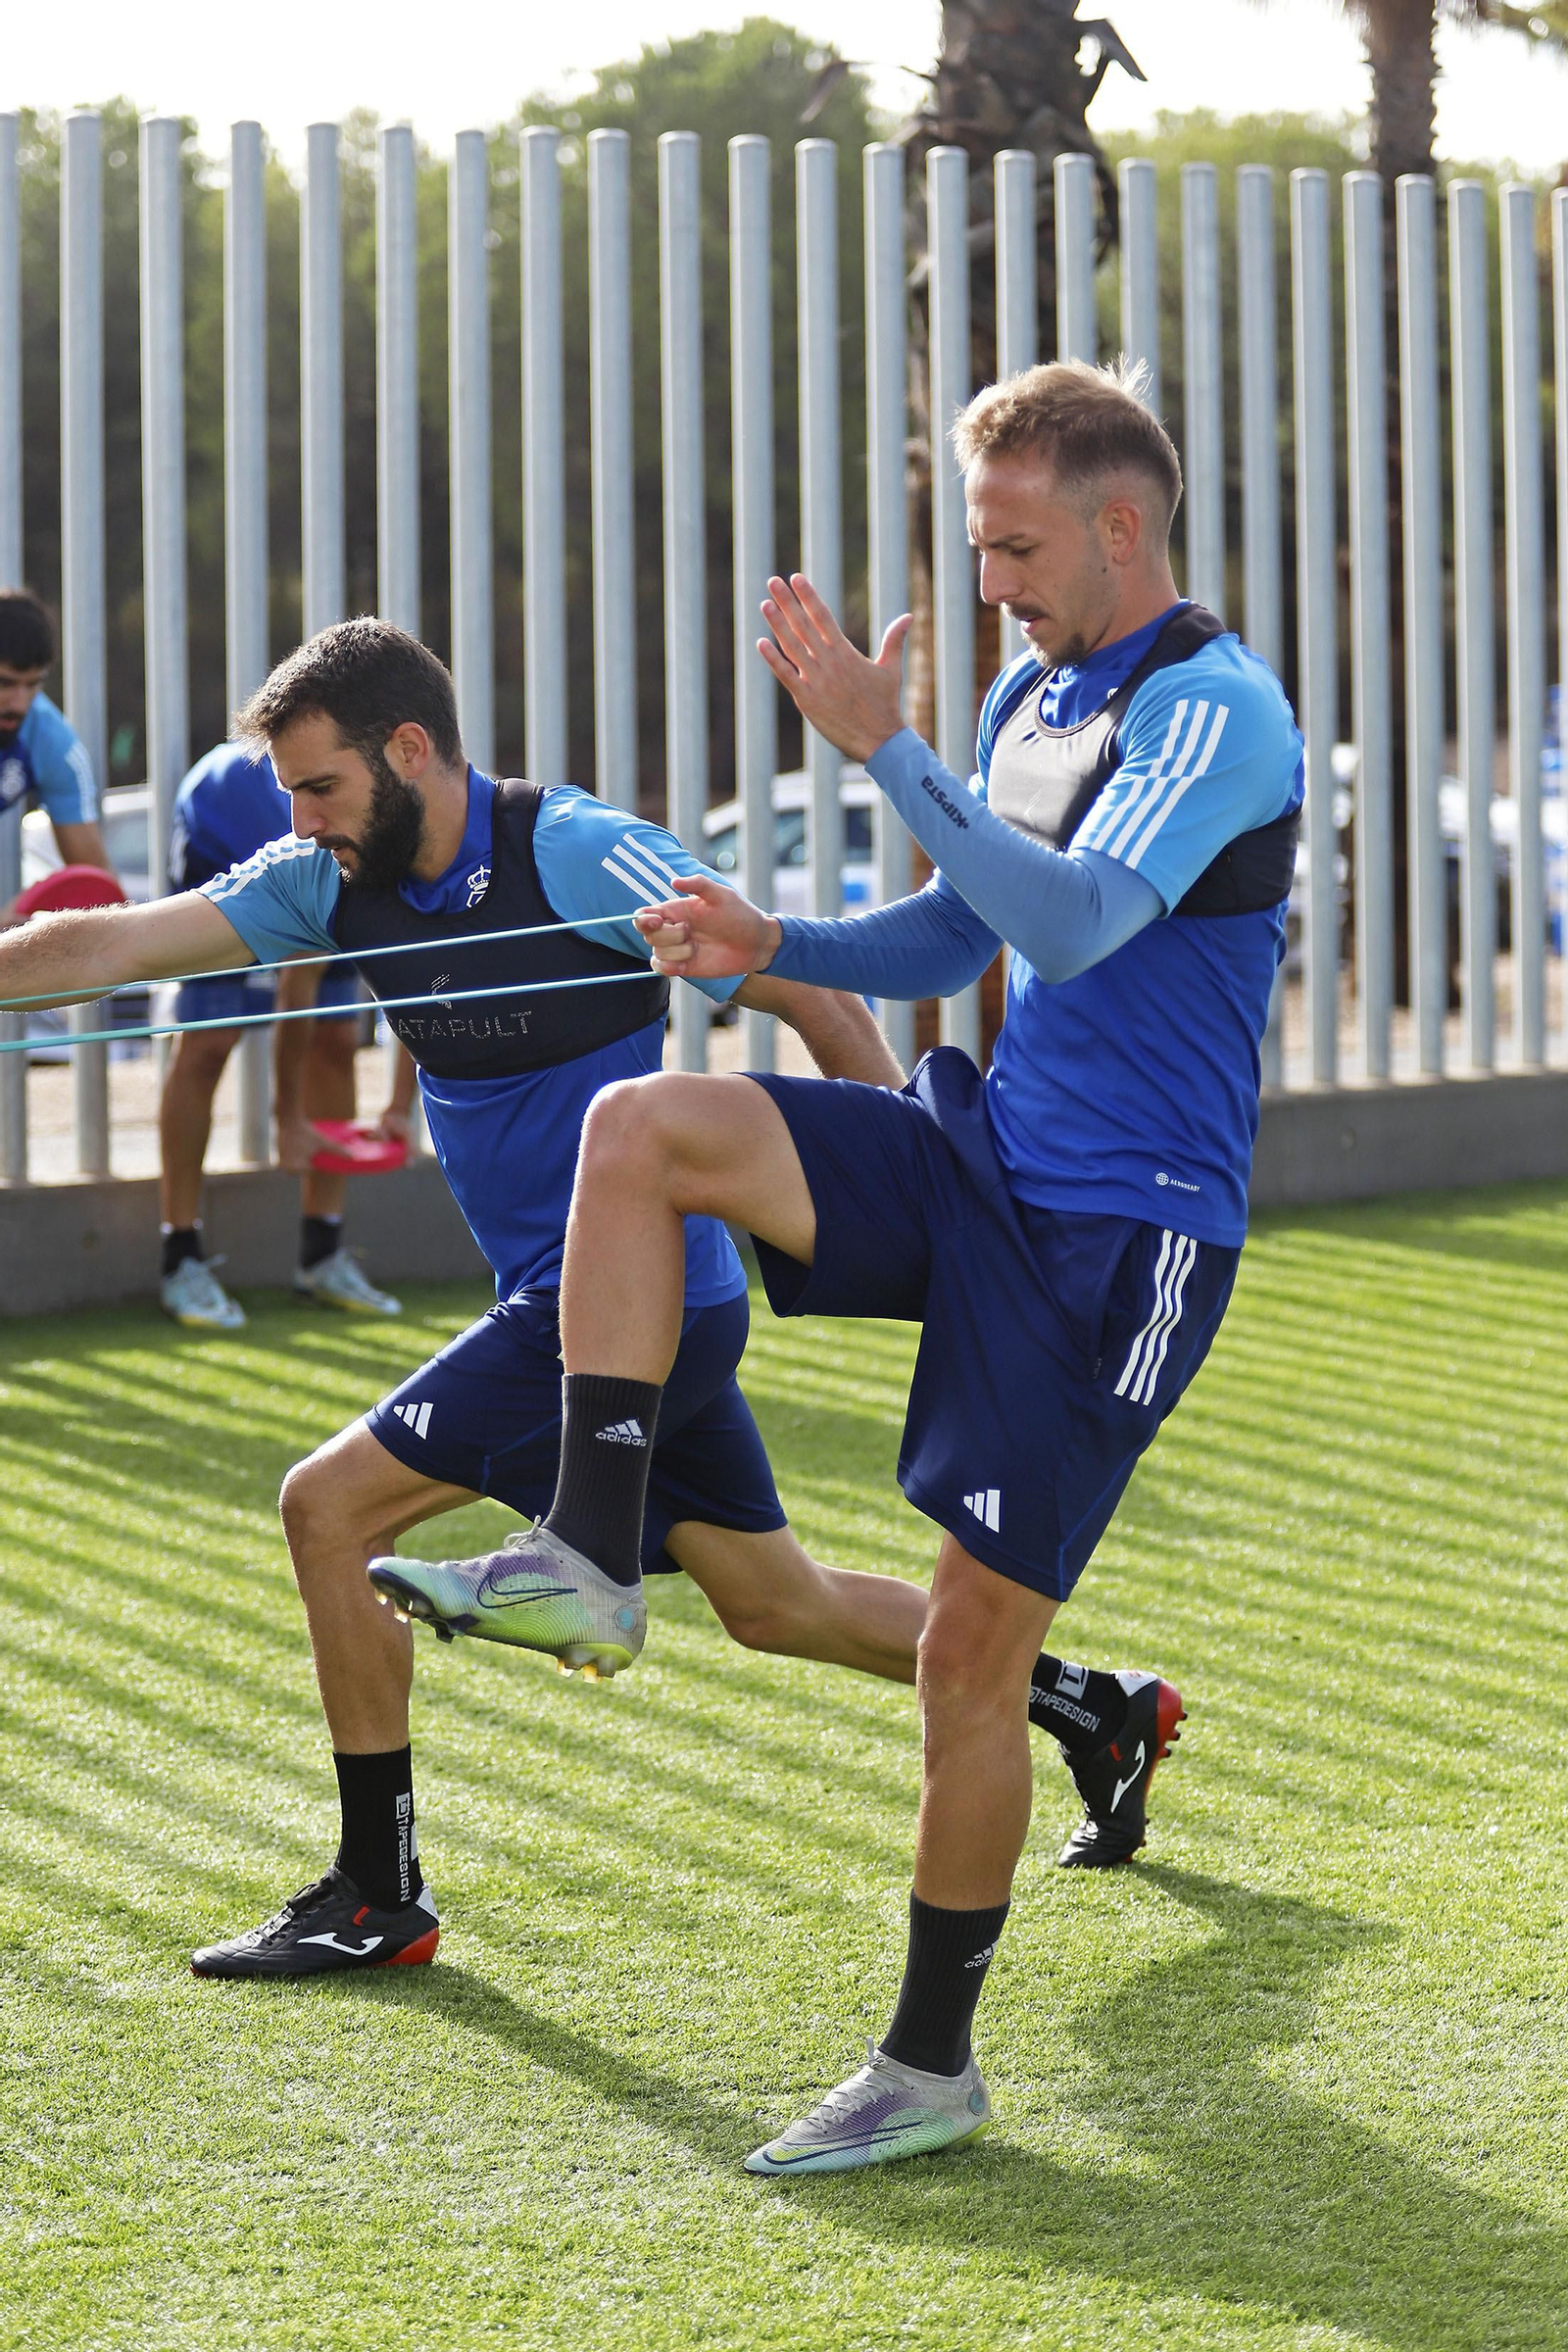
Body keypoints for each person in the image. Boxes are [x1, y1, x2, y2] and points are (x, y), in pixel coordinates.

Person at [387, 360, 1304, 2172]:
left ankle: (931, 2066)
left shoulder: (1219, 711)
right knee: (644, 1131)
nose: (993, 586)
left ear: (1125, 523)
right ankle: (591, 1551)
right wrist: (769, 933)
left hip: (1126, 1245)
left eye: (1019, 544)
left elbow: (1073, 917)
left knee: (970, 1660)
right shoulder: (1043, 689)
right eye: (979, 546)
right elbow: (963, 923)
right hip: (992, 1158)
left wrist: (887, 747)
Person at [0, 617, 1146, 1986]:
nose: (301, 819)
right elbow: (110, 947)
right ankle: (1095, 1708)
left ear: (408, 750)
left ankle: (379, 1889)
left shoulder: (583, 853)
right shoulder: (327, 878)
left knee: (328, 1505)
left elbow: (810, 992)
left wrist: (927, 1217)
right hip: (630, 1323)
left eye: (321, 787)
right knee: (777, 1608)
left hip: (615, 1312)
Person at [159, 741, 408, 1329]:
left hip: (338, 854)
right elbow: (297, 986)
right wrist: (286, 1123)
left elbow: (422, 982)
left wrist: (401, 1107)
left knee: (338, 1039)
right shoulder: (322, 850)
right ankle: (179, 1258)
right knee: (210, 1042)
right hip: (223, 827)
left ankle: (321, 1255)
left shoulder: (426, 852)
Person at [0, 588, 115, 907]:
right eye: (5, 683)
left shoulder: (52, 742)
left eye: (33, 683)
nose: (20, 704)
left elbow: (99, 891)